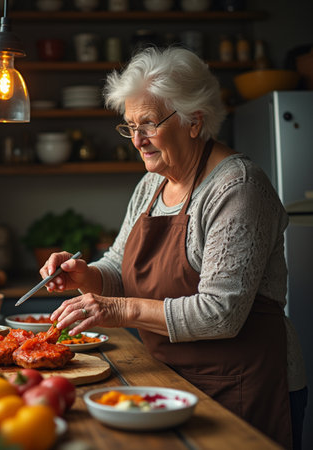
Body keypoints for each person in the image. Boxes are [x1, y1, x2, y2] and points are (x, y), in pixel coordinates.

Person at [42, 47, 307, 449]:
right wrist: (87, 275)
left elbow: (220, 314)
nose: (137, 140)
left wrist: (120, 309)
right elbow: (119, 262)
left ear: (194, 121)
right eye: (129, 126)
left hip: (241, 384)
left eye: (148, 124)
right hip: (169, 376)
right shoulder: (152, 184)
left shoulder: (238, 188)